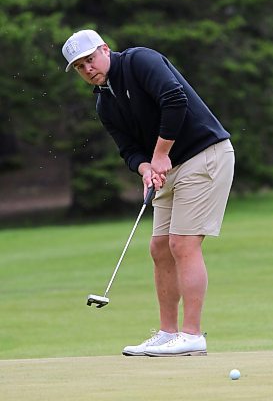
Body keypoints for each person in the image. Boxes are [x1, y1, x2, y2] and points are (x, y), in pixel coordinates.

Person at [62, 29, 235, 357]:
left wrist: (159, 155)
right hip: (169, 165)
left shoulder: (139, 60)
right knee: (159, 248)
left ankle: (193, 334)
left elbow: (174, 99)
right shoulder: (105, 102)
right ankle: (167, 333)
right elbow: (128, 149)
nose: (87, 68)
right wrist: (145, 168)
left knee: (182, 243)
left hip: (204, 154)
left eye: (89, 59)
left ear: (105, 49)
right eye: (79, 66)